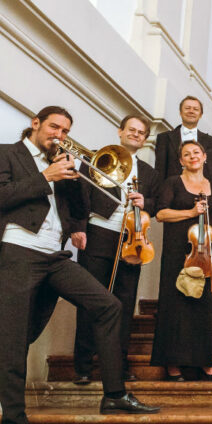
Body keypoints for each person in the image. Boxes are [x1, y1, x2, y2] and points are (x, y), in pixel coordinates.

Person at [0, 106, 158, 424]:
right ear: (35, 124)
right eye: (54, 127)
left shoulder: (64, 159)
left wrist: (77, 224)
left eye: (66, 130)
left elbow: (74, 207)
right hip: (17, 253)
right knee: (14, 341)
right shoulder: (3, 153)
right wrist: (47, 176)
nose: (60, 134)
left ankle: (114, 394)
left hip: (54, 256)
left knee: (109, 305)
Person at [73, 115, 161, 385]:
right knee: (91, 302)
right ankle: (83, 366)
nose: (136, 135)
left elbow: (157, 205)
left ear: (145, 139)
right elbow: (79, 195)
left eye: (141, 132)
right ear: (120, 131)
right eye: (131, 130)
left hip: (132, 239)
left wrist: (146, 201)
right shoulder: (99, 158)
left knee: (124, 304)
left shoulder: (149, 172)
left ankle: (118, 366)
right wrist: (78, 228)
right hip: (97, 235)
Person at [153, 140, 212, 381]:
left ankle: (204, 361)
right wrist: (191, 213)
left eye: (196, 152)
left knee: (203, 307)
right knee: (176, 306)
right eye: (186, 154)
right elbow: (161, 213)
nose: (192, 156)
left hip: (205, 254)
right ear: (181, 160)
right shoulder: (172, 182)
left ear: (205, 157)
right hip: (177, 253)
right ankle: (172, 363)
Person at [154, 96, 212, 183]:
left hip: (201, 192)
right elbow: (160, 171)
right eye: (187, 108)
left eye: (195, 109)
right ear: (180, 112)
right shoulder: (164, 138)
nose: (191, 111)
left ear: (200, 115)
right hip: (171, 191)